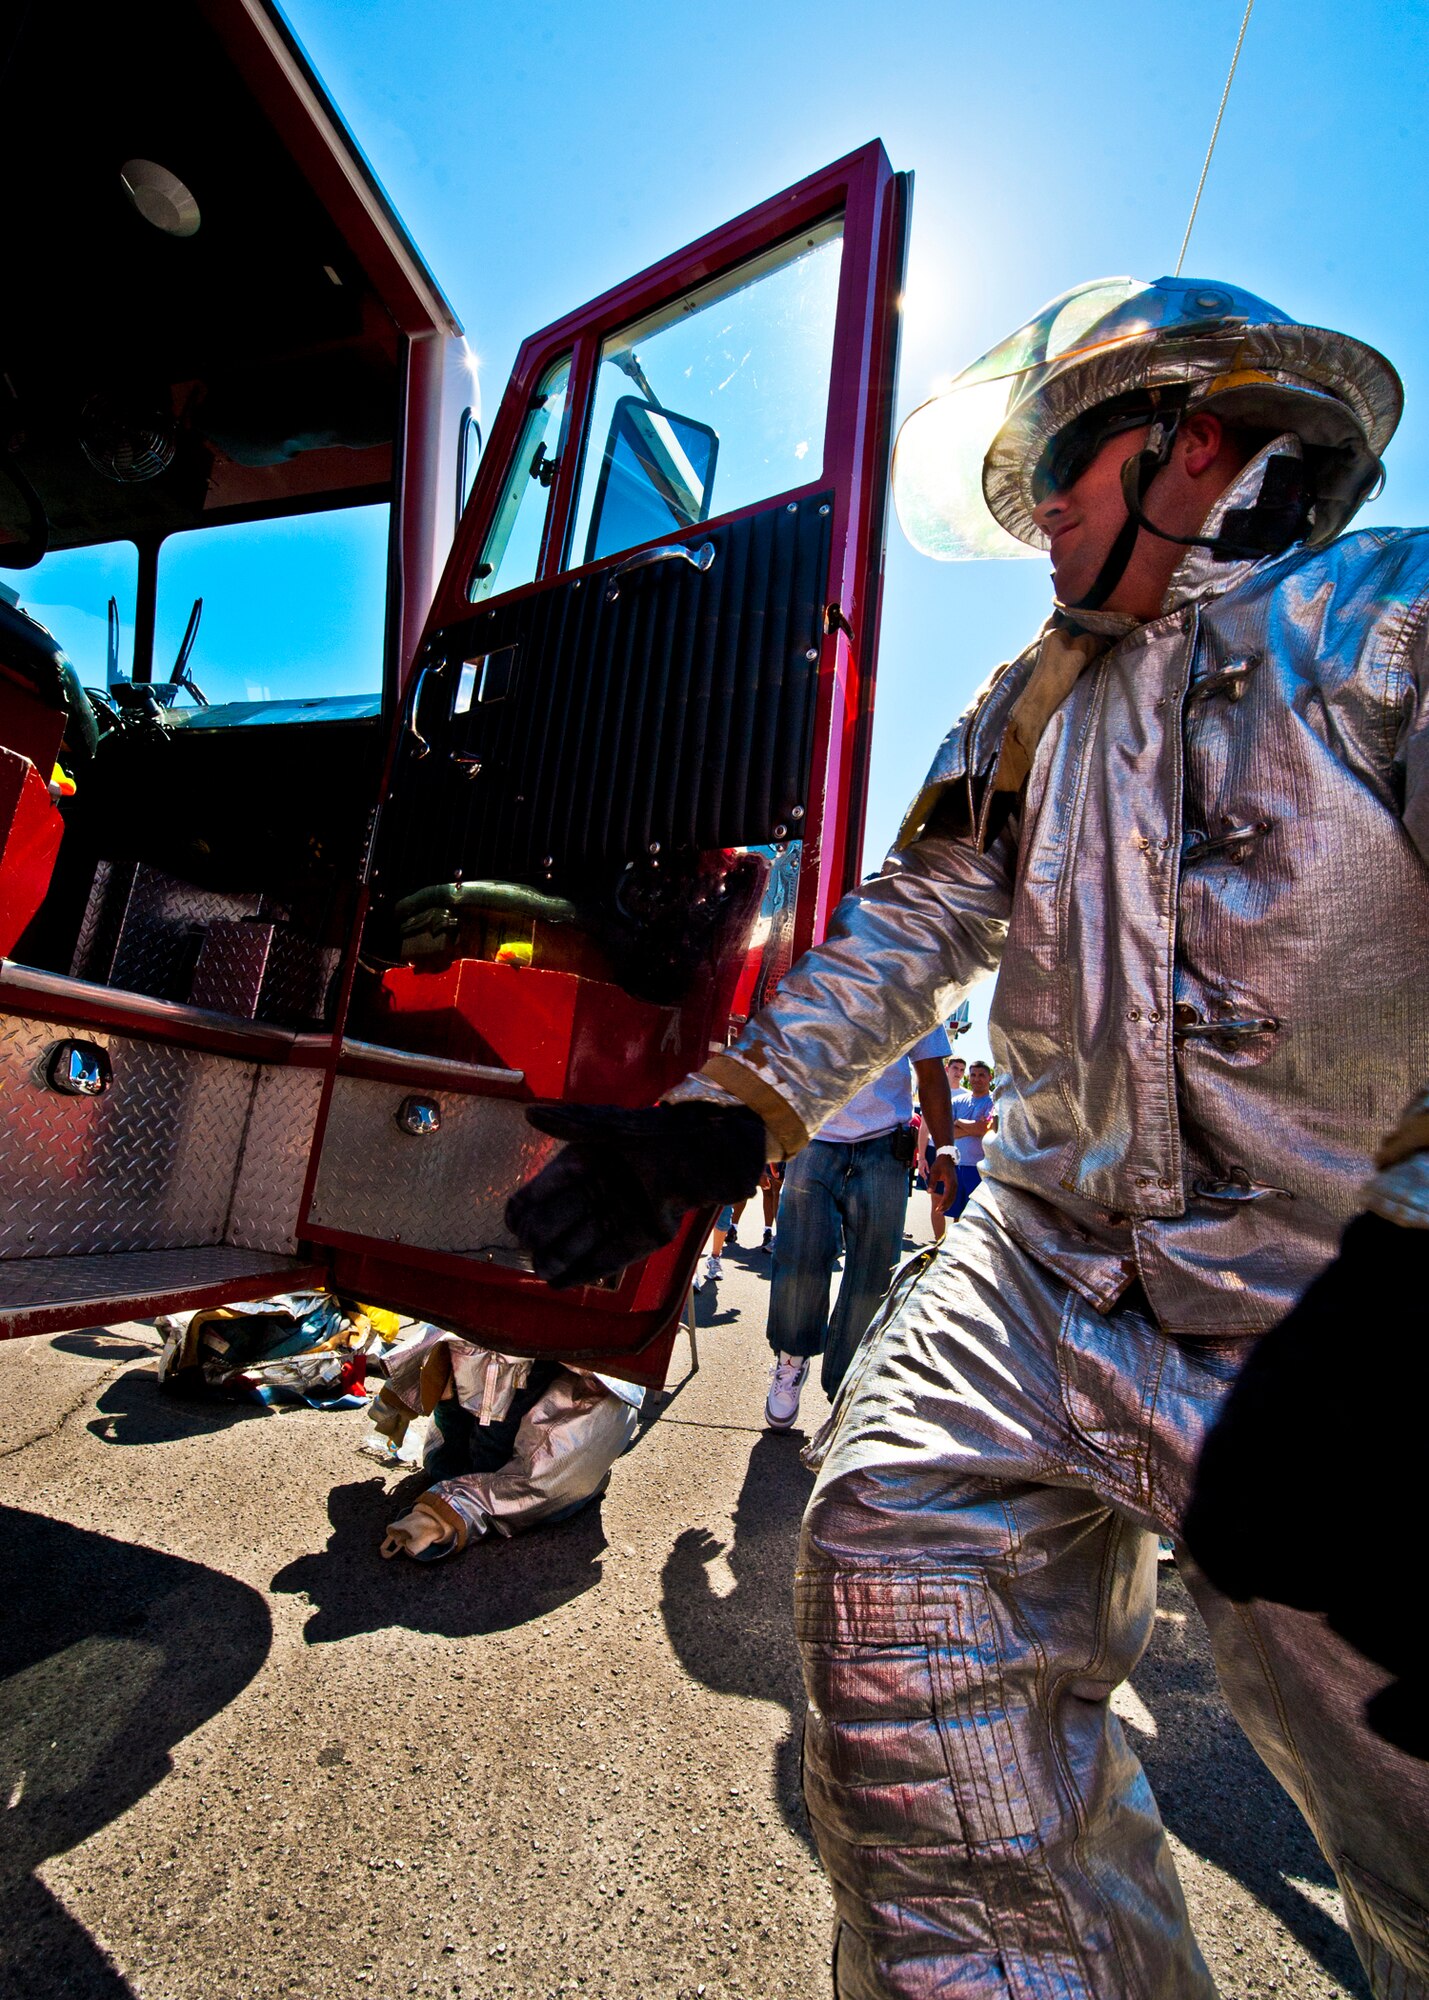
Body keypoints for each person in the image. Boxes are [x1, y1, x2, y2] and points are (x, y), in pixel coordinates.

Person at [506, 275, 1429, 1998]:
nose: (1039, 531)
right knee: (886, 1576)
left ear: (1189, 445)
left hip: (1347, 1326)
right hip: (1032, 1273)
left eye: (1056, 482)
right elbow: (916, 911)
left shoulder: (1395, 615)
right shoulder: (1030, 704)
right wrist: (723, 1122)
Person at [763, 1029, 953, 1431]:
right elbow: (784, 1056)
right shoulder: (816, 968)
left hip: (885, 1146)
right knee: (799, 1257)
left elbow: (931, 1071)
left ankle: (847, 1387)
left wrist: (947, 1151)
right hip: (812, 1139)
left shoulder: (916, 979)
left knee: (873, 1275)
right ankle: (792, 1360)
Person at [374, 1327, 642, 1560]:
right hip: (538, 1336)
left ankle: (459, 1415)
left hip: (559, 1359)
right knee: (460, 1465)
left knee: (461, 1466)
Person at [946, 1056, 995, 1220]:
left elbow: (985, 1128)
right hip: (957, 1166)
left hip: (980, 1169)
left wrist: (958, 1122)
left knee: (975, 1216)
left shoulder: (994, 1101)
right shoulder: (957, 1101)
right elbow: (948, 1132)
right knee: (956, 1214)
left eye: (981, 1075)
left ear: (990, 1078)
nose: (977, 1079)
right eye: (973, 1075)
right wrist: (974, 1128)